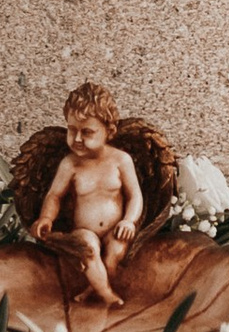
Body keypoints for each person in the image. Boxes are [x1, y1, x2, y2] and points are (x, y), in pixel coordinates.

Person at [31, 83, 146, 312]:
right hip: (84, 230)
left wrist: (128, 221)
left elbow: (135, 196)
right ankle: (107, 295)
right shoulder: (70, 164)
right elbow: (54, 195)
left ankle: (94, 287)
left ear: (108, 130)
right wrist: (46, 218)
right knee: (88, 248)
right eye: (71, 130)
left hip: (116, 229)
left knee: (115, 252)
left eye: (87, 132)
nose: (77, 139)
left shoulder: (121, 160)